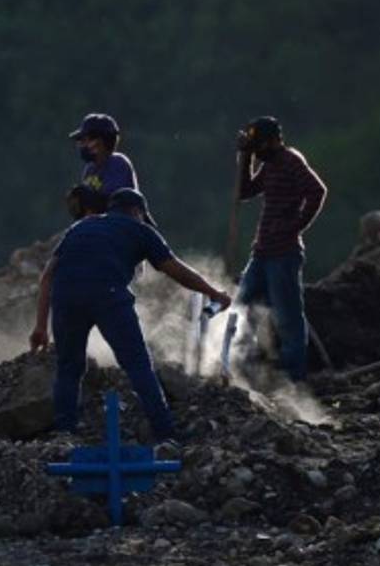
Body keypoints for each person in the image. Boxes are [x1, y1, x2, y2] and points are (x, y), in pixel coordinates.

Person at [30, 188, 231, 445]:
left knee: (69, 367)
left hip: (66, 296)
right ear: (137, 212)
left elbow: (48, 275)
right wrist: (213, 292)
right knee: (138, 365)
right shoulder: (140, 230)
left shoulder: (80, 228)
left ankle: (63, 437)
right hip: (108, 294)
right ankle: (165, 434)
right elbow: (174, 269)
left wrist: (40, 327)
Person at [235, 116, 327, 383]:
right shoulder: (269, 164)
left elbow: (317, 191)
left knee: (287, 319)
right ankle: (244, 364)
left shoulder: (290, 161)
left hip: (283, 254)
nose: (258, 150)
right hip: (261, 252)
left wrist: (295, 226)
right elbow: (244, 191)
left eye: (259, 145)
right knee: (241, 305)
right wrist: (245, 157)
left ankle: (293, 379)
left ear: (274, 140)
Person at [69, 113, 138, 213]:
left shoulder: (117, 164)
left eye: (84, 140)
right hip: (101, 225)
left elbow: (116, 204)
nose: (80, 145)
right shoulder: (90, 169)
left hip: (121, 226)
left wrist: (87, 197)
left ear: (100, 142)